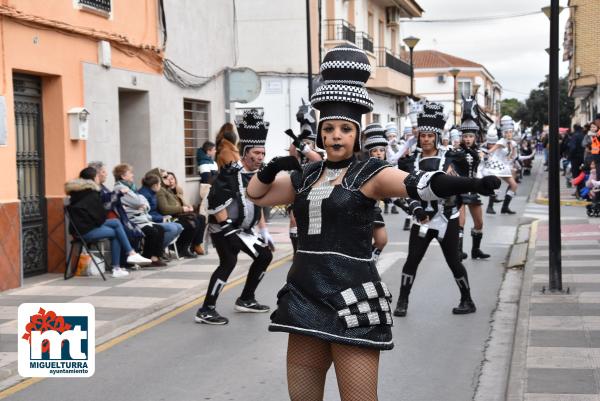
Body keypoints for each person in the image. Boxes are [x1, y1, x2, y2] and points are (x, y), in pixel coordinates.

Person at [245, 44, 499, 401]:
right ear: (320, 134)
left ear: (356, 134)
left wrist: (470, 183)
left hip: (353, 296)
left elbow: (421, 186)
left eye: (345, 129)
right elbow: (256, 195)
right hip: (304, 295)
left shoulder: (371, 173)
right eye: (329, 128)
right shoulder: (304, 176)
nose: (336, 136)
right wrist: (271, 168)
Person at [394, 101, 480, 318]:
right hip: (421, 220)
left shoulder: (451, 158)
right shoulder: (409, 161)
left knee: (454, 261)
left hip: (446, 218)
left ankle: (467, 299)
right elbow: (404, 191)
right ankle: (402, 301)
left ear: (437, 136)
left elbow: (460, 182)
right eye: (422, 135)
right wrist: (415, 209)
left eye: (430, 136)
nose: (426, 139)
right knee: (412, 260)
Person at [195, 109, 275, 325]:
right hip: (224, 227)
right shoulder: (230, 173)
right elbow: (216, 201)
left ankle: (246, 298)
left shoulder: (259, 175)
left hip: (244, 230)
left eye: (263, 153)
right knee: (228, 262)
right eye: (256, 153)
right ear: (246, 152)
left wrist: (264, 230)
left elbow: (256, 205)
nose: (260, 157)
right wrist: (228, 228)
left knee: (264, 255)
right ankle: (206, 309)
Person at [65, 167, 151, 278]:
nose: (100, 177)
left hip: (79, 228)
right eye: (98, 175)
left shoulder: (79, 192)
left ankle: (130, 254)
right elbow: (100, 216)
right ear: (94, 178)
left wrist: (117, 195)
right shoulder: (91, 193)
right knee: (116, 233)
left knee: (115, 222)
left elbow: (97, 212)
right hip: (85, 231)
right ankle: (119, 265)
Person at [286, 100, 323, 253]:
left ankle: (312, 248)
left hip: (314, 191)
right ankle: (296, 251)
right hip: (296, 189)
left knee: (314, 222)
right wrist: (297, 139)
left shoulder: (318, 154)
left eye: (309, 142)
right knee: (294, 219)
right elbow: (292, 153)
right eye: (305, 142)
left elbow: (317, 160)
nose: (306, 144)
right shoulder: (299, 156)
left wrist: (305, 147)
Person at [113, 164, 167, 267]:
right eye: (130, 173)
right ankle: (146, 258)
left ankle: (154, 257)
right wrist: (139, 203)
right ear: (123, 176)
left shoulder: (131, 187)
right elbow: (138, 201)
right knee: (152, 232)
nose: (133, 175)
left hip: (141, 218)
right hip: (132, 220)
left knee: (160, 229)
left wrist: (142, 205)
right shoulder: (120, 188)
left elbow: (144, 203)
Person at [453, 116, 491, 260]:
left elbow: (479, 162)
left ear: (475, 137)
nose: (468, 139)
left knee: (479, 222)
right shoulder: (456, 151)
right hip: (460, 188)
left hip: (474, 188)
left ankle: (476, 250)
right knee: (460, 221)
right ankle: (458, 250)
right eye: (465, 136)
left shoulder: (479, 151)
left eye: (470, 136)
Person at [152, 168, 204, 258]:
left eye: (169, 177)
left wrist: (187, 207)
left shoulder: (167, 189)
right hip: (169, 217)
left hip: (176, 214)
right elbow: (164, 209)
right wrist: (182, 209)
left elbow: (178, 203)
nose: (168, 179)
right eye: (165, 177)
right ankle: (182, 247)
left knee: (200, 218)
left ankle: (194, 244)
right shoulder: (161, 190)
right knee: (192, 221)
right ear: (159, 179)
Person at [483, 116, 519, 214]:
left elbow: (513, 156)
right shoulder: (501, 142)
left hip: (504, 167)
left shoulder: (513, 143)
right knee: (496, 185)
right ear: (503, 133)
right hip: (496, 166)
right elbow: (490, 151)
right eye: (506, 132)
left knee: (514, 185)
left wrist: (512, 152)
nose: (509, 134)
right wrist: (483, 153)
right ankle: (490, 207)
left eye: (510, 132)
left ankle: (505, 208)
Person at [138, 173, 184, 252]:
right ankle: (156, 251)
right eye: (159, 184)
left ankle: (158, 250)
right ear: (155, 185)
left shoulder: (152, 192)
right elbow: (145, 214)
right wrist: (161, 217)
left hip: (155, 218)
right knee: (172, 228)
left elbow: (153, 211)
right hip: (147, 221)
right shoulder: (144, 194)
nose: (161, 185)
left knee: (179, 226)